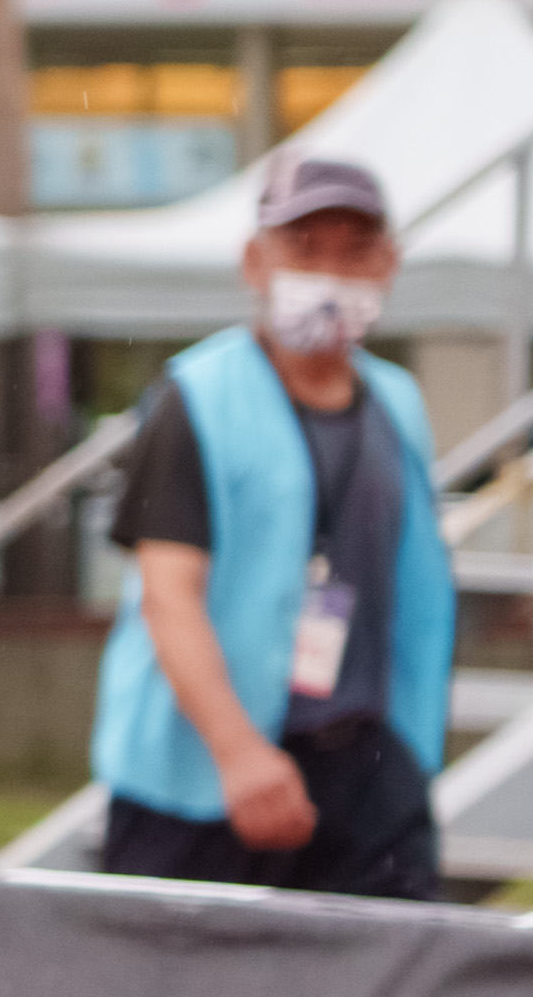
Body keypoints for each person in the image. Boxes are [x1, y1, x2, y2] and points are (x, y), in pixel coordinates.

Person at [93, 146, 457, 897]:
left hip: (364, 763)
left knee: (393, 960)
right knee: (183, 970)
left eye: (355, 253)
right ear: (254, 262)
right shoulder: (196, 399)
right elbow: (168, 595)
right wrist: (238, 754)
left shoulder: (397, 405)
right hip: (204, 777)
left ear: (388, 265)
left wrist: (410, 754)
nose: (331, 274)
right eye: (304, 248)